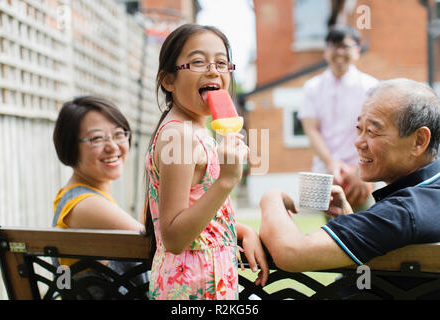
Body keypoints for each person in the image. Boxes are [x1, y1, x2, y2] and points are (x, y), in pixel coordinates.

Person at [260, 78, 440, 273]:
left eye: (372, 131)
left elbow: (292, 253)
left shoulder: (404, 211)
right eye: (358, 129)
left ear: (419, 141)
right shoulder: (426, 197)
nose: (358, 143)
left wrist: (270, 198)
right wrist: (351, 222)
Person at [144, 24, 269, 300]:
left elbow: (197, 210)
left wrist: (239, 230)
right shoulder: (180, 135)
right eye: (198, 62)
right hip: (192, 287)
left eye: (222, 63)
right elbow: (175, 237)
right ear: (168, 81)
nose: (213, 70)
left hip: (204, 280)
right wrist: (226, 180)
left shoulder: (194, 130)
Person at [52, 96, 145, 268]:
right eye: (97, 138)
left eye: (119, 134)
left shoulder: (81, 199)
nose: (112, 146)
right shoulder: (86, 205)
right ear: (70, 145)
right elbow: (161, 245)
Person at [298, 25, 379, 209]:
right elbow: (310, 129)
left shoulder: (371, 86)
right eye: (334, 46)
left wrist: (360, 168)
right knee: (327, 232)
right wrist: (330, 162)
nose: (340, 52)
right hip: (324, 170)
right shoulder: (312, 87)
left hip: (362, 171)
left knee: (363, 228)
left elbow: (376, 131)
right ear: (326, 51)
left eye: (346, 46)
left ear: (357, 51)